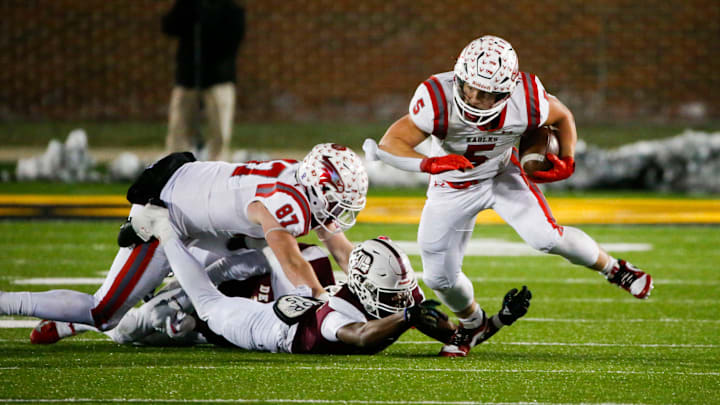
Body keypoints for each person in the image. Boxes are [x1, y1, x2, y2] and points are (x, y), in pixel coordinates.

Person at [363, 35, 653, 358]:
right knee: (438, 277)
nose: (474, 98)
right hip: (452, 186)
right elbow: (390, 144)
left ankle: (615, 269)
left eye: (487, 93)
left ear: (507, 90)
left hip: (502, 174)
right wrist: (430, 162)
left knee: (546, 237)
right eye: (469, 87)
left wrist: (567, 159)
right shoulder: (437, 98)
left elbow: (562, 117)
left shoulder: (526, 98)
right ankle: (474, 325)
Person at [0, 143, 368, 344]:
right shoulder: (289, 202)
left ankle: (83, 324)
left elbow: (339, 247)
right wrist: (323, 301)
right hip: (167, 210)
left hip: (200, 208)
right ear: (318, 188)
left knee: (236, 262)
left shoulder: (301, 181)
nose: (339, 210)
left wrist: (372, 289)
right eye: (336, 199)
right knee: (104, 310)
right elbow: (292, 262)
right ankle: (9, 303)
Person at [119, 220, 531, 354]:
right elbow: (364, 336)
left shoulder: (395, 296)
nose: (403, 301)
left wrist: (499, 319)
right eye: (394, 299)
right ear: (367, 288)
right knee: (207, 295)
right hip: (281, 318)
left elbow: (459, 338)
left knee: (182, 322)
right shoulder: (343, 315)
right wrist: (405, 316)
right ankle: (171, 240)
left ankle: (176, 310)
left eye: (403, 297)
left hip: (271, 321)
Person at [32, 243, 336, 345]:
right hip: (205, 284)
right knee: (132, 326)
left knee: (154, 330)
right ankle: (79, 322)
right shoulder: (296, 257)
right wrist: (184, 299)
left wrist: (201, 328)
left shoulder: (321, 305)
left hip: (222, 324)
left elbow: (250, 333)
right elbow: (223, 269)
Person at [163, 0, 245, 161]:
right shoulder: (187, 5)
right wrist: (188, 11)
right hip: (188, 78)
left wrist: (209, 21)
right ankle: (176, 168)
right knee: (179, 129)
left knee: (219, 131)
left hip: (219, 78)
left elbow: (232, 40)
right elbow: (169, 27)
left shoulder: (230, 9)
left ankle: (217, 168)